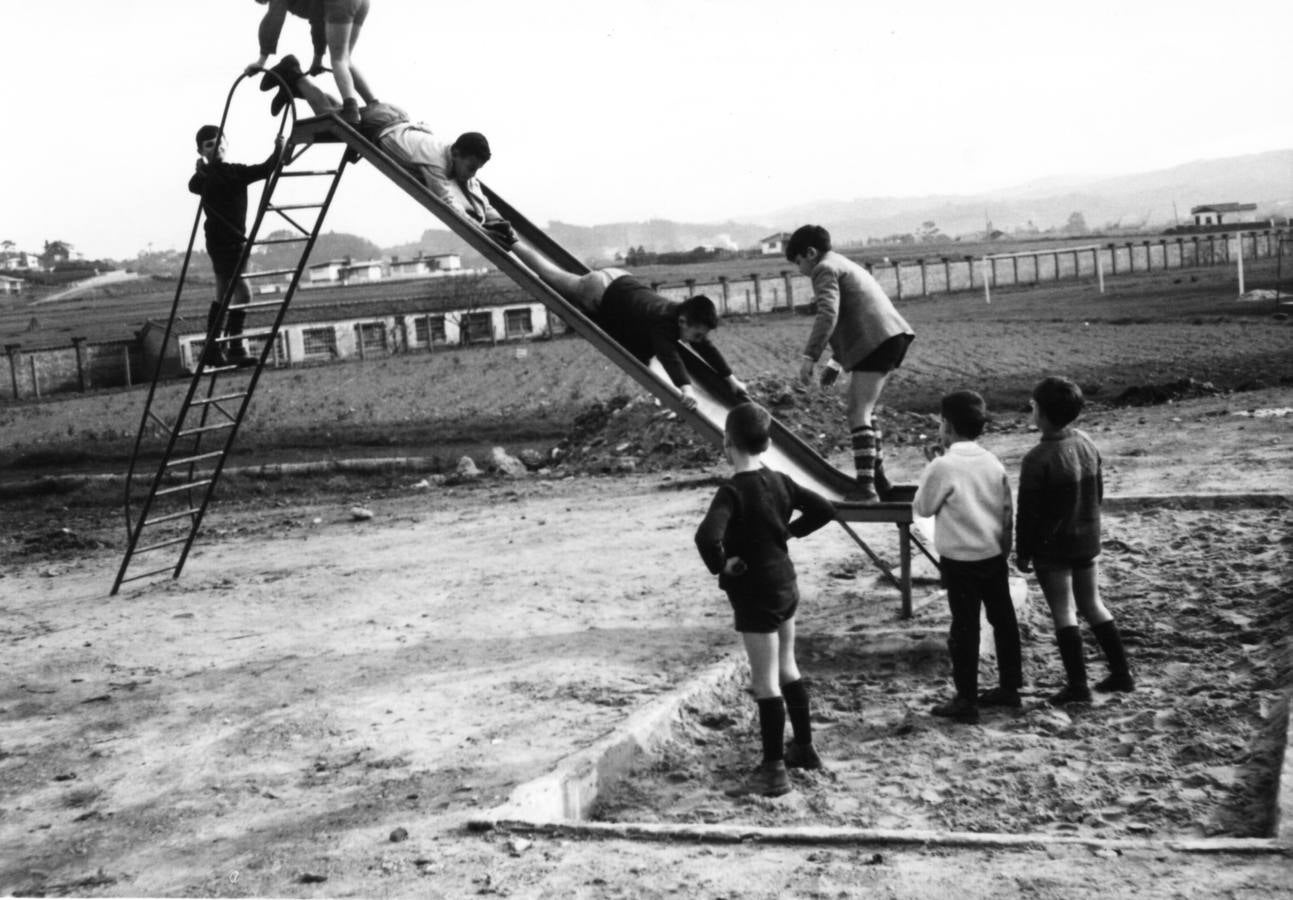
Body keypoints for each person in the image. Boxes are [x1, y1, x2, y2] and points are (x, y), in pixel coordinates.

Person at [694, 403, 837, 796]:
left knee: (764, 681)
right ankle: (804, 748)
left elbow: (707, 538)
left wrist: (723, 566)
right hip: (785, 586)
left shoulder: (731, 492)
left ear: (727, 444)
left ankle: (774, 770)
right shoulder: (781, 481)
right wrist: (788, 533)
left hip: (755, 593)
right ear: (768, 443)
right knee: (787, 666)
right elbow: (825, 509)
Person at [260, 59, 516, 246]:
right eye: (471, 167)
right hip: (382, 124)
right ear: (458, 153)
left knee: (338, 109)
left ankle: (294, 87)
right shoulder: (435, 163)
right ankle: (296, 76)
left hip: (396, 118)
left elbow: (474, 190)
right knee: (329, 117)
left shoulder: (453, 154)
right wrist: (484, 233)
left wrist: (499, 221)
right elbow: (450, 206)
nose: (471, 174)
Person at [510, 242, 748, 409]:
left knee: (555, 278)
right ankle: (510, 240)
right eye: (695, 335)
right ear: (683, 322)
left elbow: (706, 347)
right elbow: (669, 356)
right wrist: (686, 388)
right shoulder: (663, 324)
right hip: (599, 290)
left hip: (620, 279)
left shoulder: (680, 314)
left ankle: (513, 242)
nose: (696, 340)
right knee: (549, 275)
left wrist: (731, 379)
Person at [1016, 376, 1135, 705]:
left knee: (1063, 612)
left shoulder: (1037, 459)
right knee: (1093, 604)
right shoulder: (1085, 441)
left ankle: (1078, 685)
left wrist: (1023, 552)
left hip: (1054, 549)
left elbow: (1027, 515)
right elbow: (1098, 490)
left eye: (1034, 406)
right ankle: (1121, 673)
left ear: (1040, 412)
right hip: (1087, 539)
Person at [912, 390, 1022, 724]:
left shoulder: (943, 466)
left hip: (959, 559)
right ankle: (1010, 686)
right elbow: (1006, 511)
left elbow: (923, 507)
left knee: (964, 627)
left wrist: (931, 464)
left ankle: (966, 698)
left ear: (946, 425)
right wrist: (1004, 549)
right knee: (1003, 620)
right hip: (991, 554)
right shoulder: (992, 461)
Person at [786, 225, 915, 502]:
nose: (800, 270)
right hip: (886, 337)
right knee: (866, 411)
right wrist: (834, 363)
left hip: (879, 340)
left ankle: (866, 488)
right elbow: (855, 317)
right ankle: (880, 484)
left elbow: (828, 314)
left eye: (798, 262)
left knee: (857, 412)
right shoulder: (842, 263)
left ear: (810, 253)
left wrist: (810, 356)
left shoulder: (823, 269)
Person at [188, 125, 285, 367]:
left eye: (220, 141)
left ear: (227, 144)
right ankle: (230, 346)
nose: (217, 146)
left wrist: (279, 149)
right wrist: (201, 170)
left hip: (231, 239)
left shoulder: (228, 172)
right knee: (242, 292)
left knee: (225, 293)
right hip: (225, 241)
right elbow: (194, 186)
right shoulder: (213, 175)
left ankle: (221, 348)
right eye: (210, 144)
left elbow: (265, 169)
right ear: (201, 150)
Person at [245, 0, 375, 125]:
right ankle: (373, 104)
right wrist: (317, 59)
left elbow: (273, 22)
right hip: (363, 3)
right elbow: (318, 18)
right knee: (345, 59)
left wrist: (261, 60)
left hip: (341, 3)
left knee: (338, 60)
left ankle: (350, 109)